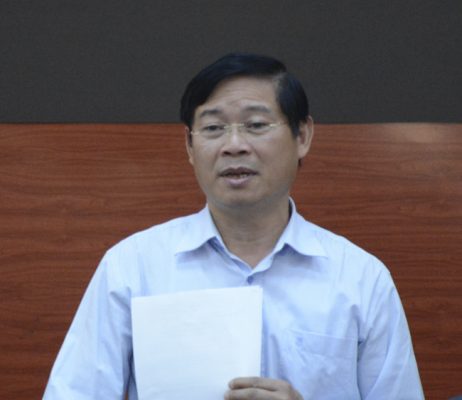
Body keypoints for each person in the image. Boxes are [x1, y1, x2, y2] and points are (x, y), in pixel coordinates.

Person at [43, 53, 424, 399]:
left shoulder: (361, 279)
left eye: (256, 125)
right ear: (189, 146)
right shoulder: (132, 267)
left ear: (302, 136)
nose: (234, 145)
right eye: (213, 128)